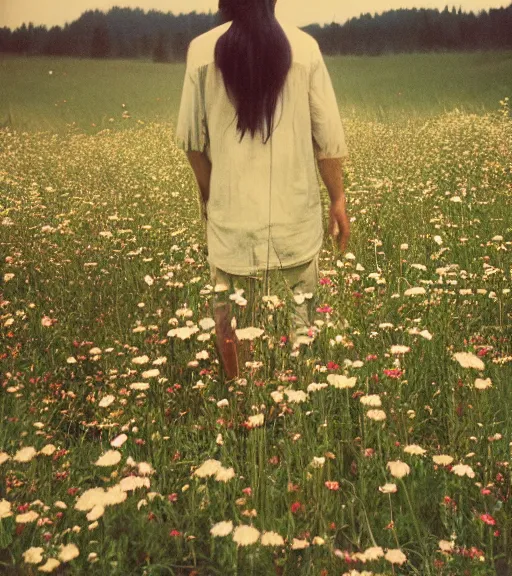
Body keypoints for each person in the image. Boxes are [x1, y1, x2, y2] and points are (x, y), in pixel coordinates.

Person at [175, 0, 350, 381]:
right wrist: (337, 198)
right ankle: (299, 402)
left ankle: (240, 396)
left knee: (230, 317)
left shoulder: (201, 51)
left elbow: (191, 142)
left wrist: (211, 198)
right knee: (300, 321)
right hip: (296, 220)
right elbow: (329, 140)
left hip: (230, 220)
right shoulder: (305, 49)